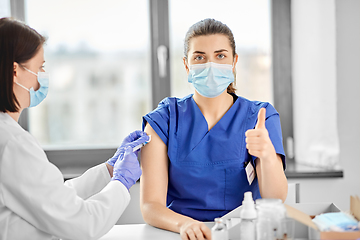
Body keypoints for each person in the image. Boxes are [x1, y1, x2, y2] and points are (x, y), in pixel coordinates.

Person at [0, 17, 150, 240]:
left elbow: (51, 199)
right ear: (15, 71)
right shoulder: (12, 143)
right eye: (39, 67)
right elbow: (83, 223)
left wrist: (108, 171)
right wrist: (122, 182)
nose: (43, 77)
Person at [140, 18, 288, 240]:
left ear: (234, 61)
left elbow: (275, 199)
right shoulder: (165, 119)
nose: (210, 65)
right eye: (200, 57)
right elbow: (150, 205)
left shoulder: (260, 117)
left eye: (220, 56)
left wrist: (267, 155)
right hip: (182, 233)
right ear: (187, 65)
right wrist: (185, 225)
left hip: (244, 232)